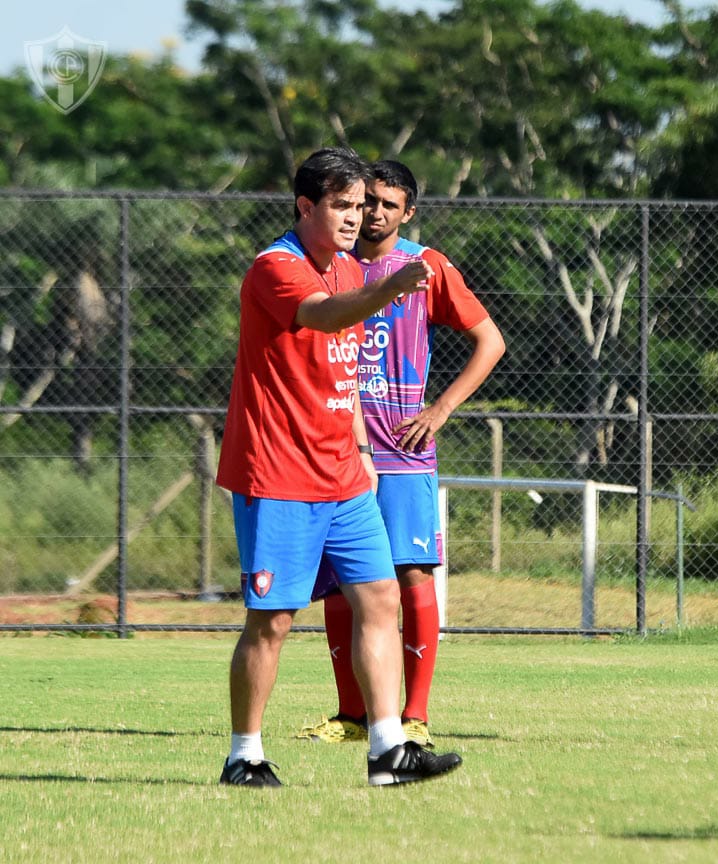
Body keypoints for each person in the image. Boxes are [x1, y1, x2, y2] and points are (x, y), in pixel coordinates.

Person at [215, 147, 462, 787]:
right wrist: (388, 287)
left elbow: (345, 375)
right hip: (279, 473)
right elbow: (322, 318)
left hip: (344, 473)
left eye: (360, 206)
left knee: (381, 599)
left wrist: (360, 450)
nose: (356, 218)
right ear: (306, 207)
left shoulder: (352, 271)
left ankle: (387, 750)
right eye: (342, 206)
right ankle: (244, 756)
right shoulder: (275, 268)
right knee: (271, 622)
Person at [298, 159, 505, 749]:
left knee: (411, 574)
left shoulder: (427, 266)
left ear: (408, 211)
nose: (376, 213)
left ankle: (414, 714)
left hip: (403, 451)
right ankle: (351, 715)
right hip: (335, 448)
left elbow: (491, 340)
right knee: (338, 582)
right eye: (368, 203)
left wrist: (439, 410)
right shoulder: (329, 268)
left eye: (389, 204)